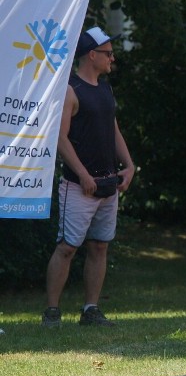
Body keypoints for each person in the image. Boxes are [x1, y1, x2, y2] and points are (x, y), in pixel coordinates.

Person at [41, 27, 135, 328]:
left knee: (99, 246)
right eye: (108, 53)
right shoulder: (70, 90)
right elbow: (60, 137)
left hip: (109, 184)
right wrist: (82, 174)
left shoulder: (105, 90)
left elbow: (113, 129)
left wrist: (129, 165)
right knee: (67, 247)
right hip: (78, 186)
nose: (113, 58)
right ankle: (52, 312)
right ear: (91, 55)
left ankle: (90, 310)